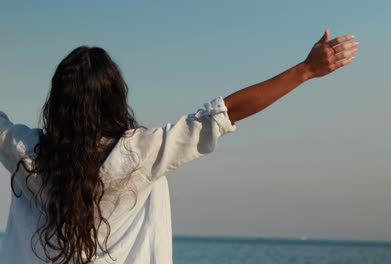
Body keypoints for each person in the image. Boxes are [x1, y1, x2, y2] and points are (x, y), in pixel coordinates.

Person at [0, 29, 358, 263]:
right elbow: (227, 112)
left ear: (57, 103)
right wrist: (306, 70)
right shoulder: (140, 154)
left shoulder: (24, 151)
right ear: (114, 99)